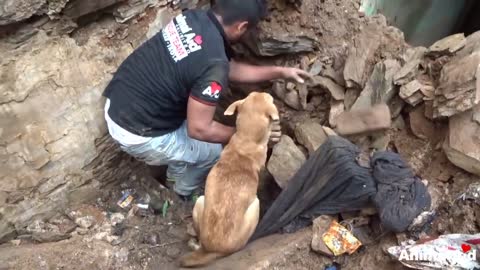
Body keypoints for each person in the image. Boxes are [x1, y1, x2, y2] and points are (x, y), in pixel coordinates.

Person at [103, 0, 310, 199]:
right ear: (242, 26)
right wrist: (248, 136)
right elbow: (199, 129)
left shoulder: (193, 19)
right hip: (137, 133)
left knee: (196, 126)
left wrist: (280, 71)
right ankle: (182, 191)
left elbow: (227, 68)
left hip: (120, 102)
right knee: (210, 152)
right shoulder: (214, 65)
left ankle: (176, 169)